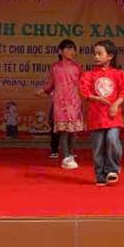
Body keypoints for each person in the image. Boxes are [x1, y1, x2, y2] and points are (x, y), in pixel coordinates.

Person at [80, 39, 124, 186]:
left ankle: (112, 170)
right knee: (98, 147)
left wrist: (116, 105)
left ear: (110, 56)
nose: (96, 56)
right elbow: (84, 91)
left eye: (99, 53)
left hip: (113, 116)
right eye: (95, 54)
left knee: (112, 139)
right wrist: (96, 98)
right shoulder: (88, 75)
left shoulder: (119, 74)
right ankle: (100, 175)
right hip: (96, 117)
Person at [36, 39, 84, 169]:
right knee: (63, 131)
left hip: (74, 102)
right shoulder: (55, 67)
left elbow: (83, 84)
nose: (72, 51)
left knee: (73, 131)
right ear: (60, 51)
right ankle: (66, 157)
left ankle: (71, 154)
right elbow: (51, 84)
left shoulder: (77, 67)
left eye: (73, 49)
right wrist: (43, 90)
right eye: (68, 48)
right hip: (60, 103)